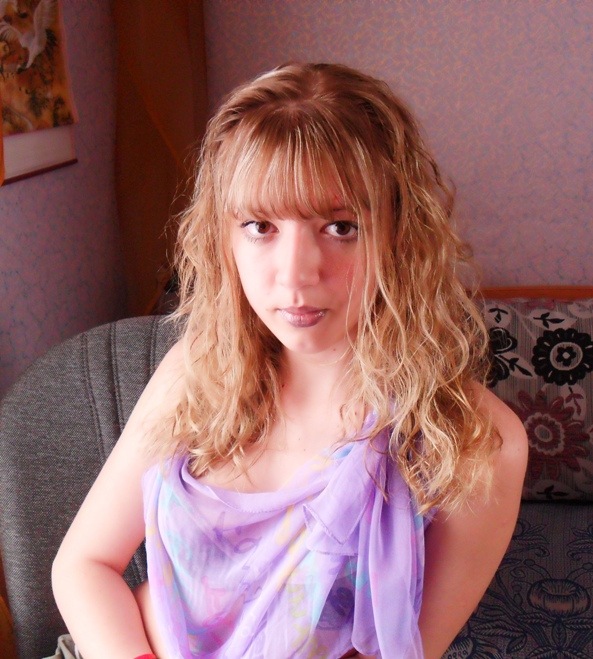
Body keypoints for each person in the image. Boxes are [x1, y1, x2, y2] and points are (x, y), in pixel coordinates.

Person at [52, 62, 528, 659]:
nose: (296, 275)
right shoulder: (194, 371)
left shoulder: (476, 441)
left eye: (340, 227)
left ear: (401, 233)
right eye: (260, 226)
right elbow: (85, 564)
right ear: (223, 237)